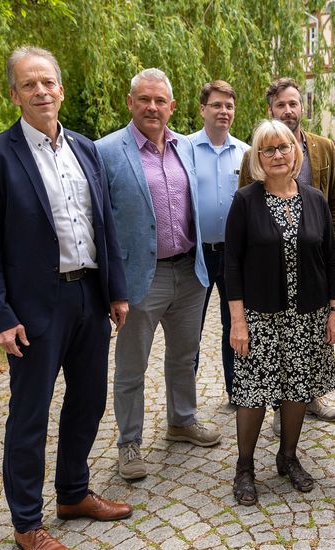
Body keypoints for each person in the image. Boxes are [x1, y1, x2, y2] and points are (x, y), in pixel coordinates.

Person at [0, 46, 132, 550]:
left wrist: (116, 289)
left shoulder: (85, 149)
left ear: (60, 90)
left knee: (89, 401)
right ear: (14, 94)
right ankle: (26, 523)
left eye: (48, 83)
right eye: (29, 84)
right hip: (35, 308)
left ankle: (74, 493)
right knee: (30, 414)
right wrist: (0, 316)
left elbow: (103, 224)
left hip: (88, 295)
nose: (41, 91)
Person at [96, 68, 221, 483]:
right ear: (130, 102)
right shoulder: (106, 151)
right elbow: (99, 223)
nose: (152, 107)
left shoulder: (186, 147)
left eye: (160, 101)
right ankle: (128, 442)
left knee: (185, 356)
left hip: (188, 271)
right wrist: (112, 287)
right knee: (132, 366)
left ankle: (181, 421)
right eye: (144, 99)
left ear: (172, 107)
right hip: (139, 279)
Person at [225, 119, 335, 506]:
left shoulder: (315, 199)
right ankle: (244, 468)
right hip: (260, 315)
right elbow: (233, 264)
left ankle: (287, 457)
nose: (278, 155)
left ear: (296, 152)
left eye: (284, 147)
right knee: (254, 392)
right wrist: (238, 320)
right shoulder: (245, 200)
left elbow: (328, 259)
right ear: (258, 157)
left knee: (298, 388)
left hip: (308, 315)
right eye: (269, 149)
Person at [239, 77, 335, 430]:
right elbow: (247, 223)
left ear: (302, 107)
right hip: (268, 277)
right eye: (281, 104)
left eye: (294, 103)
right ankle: (275, 414)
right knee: (267, 359)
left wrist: (330, 252)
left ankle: (306, 402)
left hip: (311, 266)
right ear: (271, 109)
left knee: (303, 359)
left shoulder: (324, 148)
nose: (288, 110)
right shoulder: (252, 162)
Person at [189, 81, 250, 404]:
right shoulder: (183, 149)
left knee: (235, 323)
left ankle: (237, 392)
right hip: (195, 253)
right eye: (216, 105)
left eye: (228, 106)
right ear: (202, 109)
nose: (223, 111)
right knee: (190, 329)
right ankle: (185, 403)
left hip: (234, 255)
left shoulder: (245, 153)